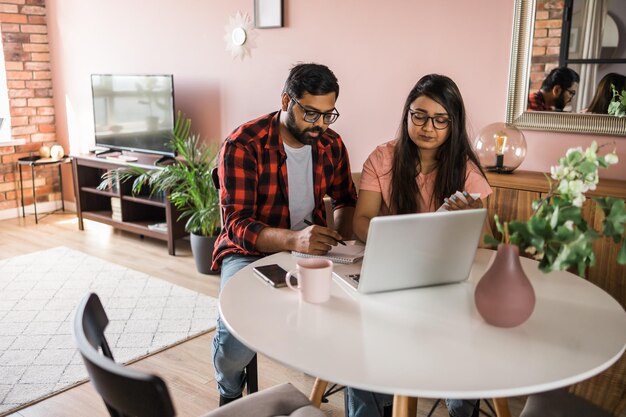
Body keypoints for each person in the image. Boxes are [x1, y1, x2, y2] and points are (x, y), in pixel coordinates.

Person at [211, 63, 357, 406]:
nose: (319, 124)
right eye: (310, 113)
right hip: (248, 250)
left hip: (313, 248)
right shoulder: (243, 144)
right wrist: (294, 240)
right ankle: (230, 393)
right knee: (235, 341)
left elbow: (346, 200)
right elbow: (238, 225)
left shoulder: (331, 144)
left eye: (327, 114)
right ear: (285, 100)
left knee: (356, 314)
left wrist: (338, 233)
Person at [348, 74, 493, 417]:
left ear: (453, 124)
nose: (428, 127)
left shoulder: (467, 170)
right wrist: (400, 242)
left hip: (446, 277)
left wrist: (474, 217)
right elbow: (361, 221)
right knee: (361, 344)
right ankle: (378, 405)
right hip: (392, 271)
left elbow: (486, 243)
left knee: (467, 333)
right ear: (407, 114)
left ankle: (460, 401)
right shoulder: (383, 159)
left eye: (441, 120)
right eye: (420, 116)